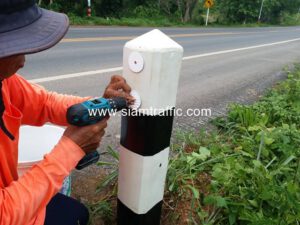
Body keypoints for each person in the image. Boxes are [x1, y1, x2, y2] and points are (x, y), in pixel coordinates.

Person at [0, 1, 133, 225]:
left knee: (77, 213)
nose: (23, 61)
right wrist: (71, 149)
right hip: (11, 213)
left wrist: (102, 104)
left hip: (12, 196)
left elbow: (45, 103)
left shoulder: (5, 82)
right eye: (14, 48)